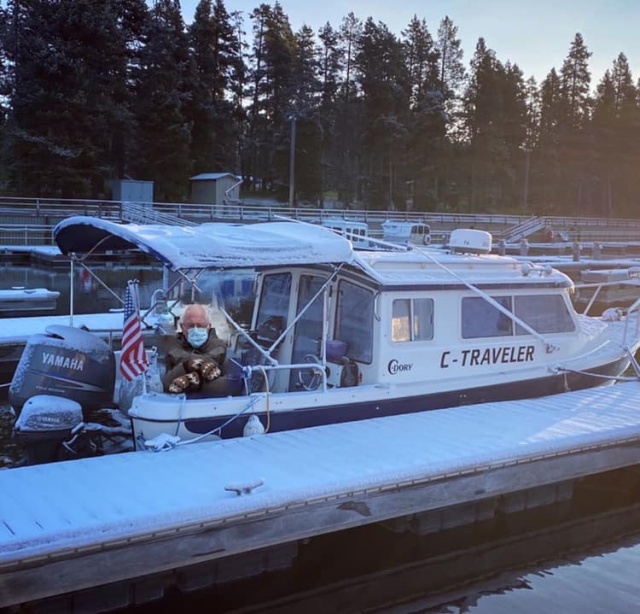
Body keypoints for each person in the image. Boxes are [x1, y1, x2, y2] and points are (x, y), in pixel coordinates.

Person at [163, 304, 228, 396]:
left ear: (208, 326)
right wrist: (188, 364)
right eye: (190, 325)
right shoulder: (173, 344)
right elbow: (167, 383)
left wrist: (192, 380)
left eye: (200, 325)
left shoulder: (218, 345)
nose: (196, 329)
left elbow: (214, 372)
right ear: (182, 327)